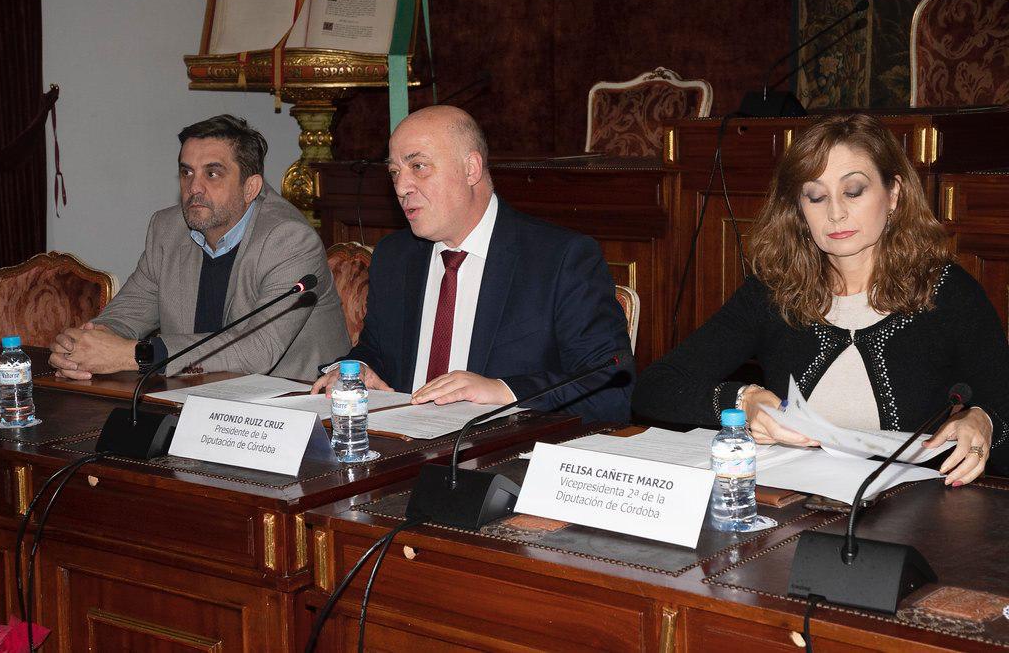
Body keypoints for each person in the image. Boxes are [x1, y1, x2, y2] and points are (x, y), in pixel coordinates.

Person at [632, 113, 1007, 486]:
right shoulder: (775, 291)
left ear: (894, 194)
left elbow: (1001, 402)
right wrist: (743, 401)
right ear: (799, 209)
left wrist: (982, 419)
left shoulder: (943, 290)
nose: (835, 212)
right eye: (816, 196)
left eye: (853, 191)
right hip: (794, 506)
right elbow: (655, 388)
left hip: (911, 513)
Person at [311, 105, 633, 422]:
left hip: (500, 464)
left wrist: (503, 392)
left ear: (471, 169)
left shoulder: (559, 259)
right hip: (400, 456)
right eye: (395, 172)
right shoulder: (395, 257)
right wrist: (357, 369)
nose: (401, 187)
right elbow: (377, 352)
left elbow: (610, 389)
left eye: (418, 166)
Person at [48, 114, 350, 380]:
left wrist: (133, 355)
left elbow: (256, 350)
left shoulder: (289, 239)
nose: (194, 187)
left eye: (212, 173)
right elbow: (127, 314)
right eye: (187, 172)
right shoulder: (167, 230)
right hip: (196, 398)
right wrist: (85, 345)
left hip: (291, 410)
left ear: (251, 187)